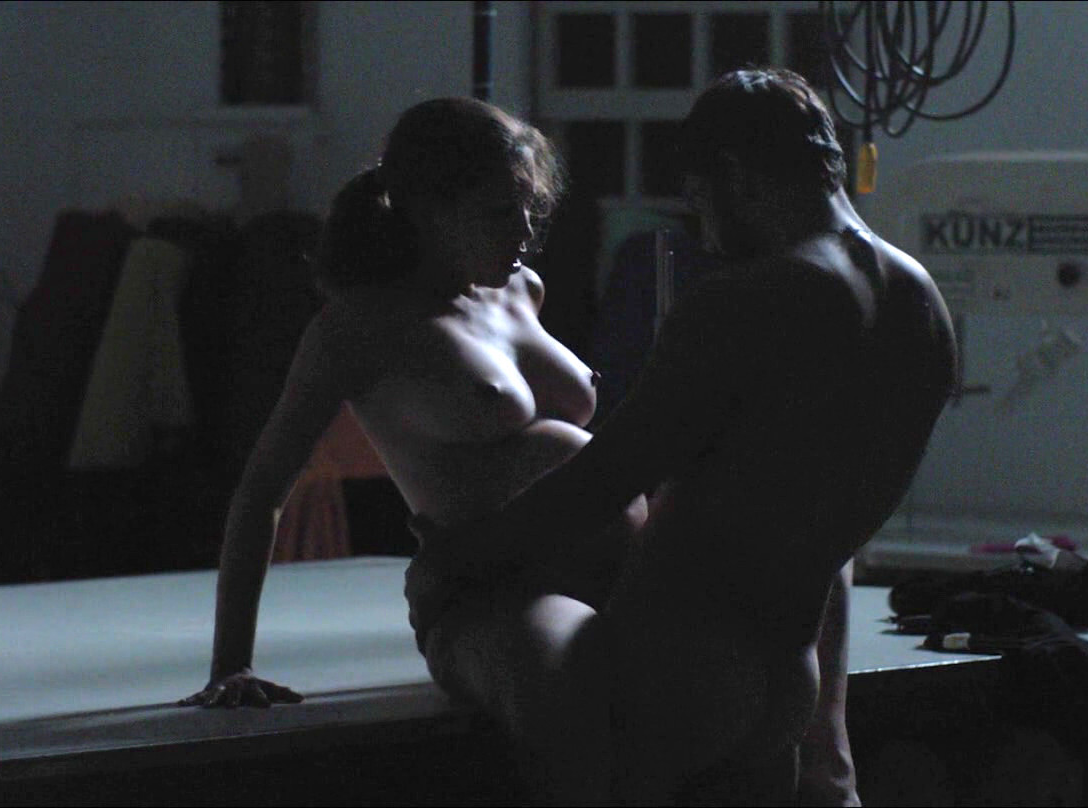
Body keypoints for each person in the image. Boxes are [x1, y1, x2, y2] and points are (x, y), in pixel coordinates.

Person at [411, 68, 961, 805]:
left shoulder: (748, 298)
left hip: (679, 664)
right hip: (788, 678)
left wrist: (457, 557)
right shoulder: (923, 306)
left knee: (472, 633)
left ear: (735, 175)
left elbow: (606, 481)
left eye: (701, 201)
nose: (703, 229)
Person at [178, 97, 644, 805]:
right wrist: (230, 664)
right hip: (495, 596)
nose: (525, 231)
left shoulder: (523, 291)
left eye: (529, 207)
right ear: (428, 213)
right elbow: (262, 490)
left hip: (622, 575)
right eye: (499, 212)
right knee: (567, 681)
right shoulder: (358, 327)